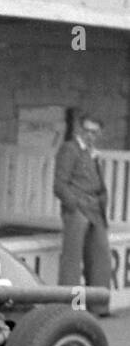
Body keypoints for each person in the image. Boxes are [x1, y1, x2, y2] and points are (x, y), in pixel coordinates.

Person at [54, 112, 112, 316]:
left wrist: (102, 201)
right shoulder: (70, 149)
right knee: (72, 262)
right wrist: (75, 205)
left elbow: (98, 183)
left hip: (95, 210)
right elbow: (59, 185)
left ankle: (98, 306)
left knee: (100, 258)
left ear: (99, 134)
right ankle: (72, 307)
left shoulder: (92, 153)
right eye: (86, 130)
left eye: (94, 132)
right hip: (78, 210)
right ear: (79, 129)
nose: (89, 135)